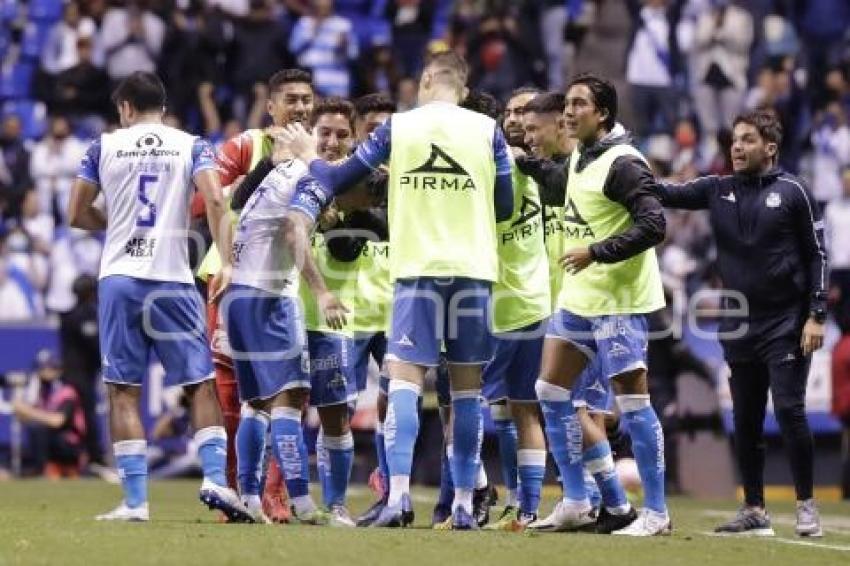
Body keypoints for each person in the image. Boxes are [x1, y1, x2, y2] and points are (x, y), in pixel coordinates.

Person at [283, 51, 514, 529]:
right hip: (474, 270)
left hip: (417, 272)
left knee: (405, 385)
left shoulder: (399, 129)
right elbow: (506, 206)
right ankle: (467, 507)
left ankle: (399, 499)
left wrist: (310, 158)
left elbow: (337, 178)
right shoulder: (488, 132)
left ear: (426, 80)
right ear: (464, 89)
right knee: (467, 393)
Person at [68, 71, 247, 523]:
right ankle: (215, 481)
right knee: (200, 383)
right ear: (162, 108)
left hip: (121, 278)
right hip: (172, 279)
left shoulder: (103, 146)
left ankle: (135, 502)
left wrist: (120, 226)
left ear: (125, 108)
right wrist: (226, 262)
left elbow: (76, 212)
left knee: (123, 391)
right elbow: (215, 201)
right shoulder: (193, 145)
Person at [655, 109, 828, 538]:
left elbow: (817, 255)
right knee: (746, 418)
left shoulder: (794, 192)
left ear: (770, 148)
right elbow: (668, 193)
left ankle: (806, 505)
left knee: (789, 410)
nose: (737, 146)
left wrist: (816, 314)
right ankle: (754, 509)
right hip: (738, 322)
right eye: (735, 139)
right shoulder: (718, 188)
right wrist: (624, 174)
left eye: (748, 139)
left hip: (786, 320)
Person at [528, 73, 669, 536]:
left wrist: (596, 252)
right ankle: (575, 500)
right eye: (566, 104)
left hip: (618, 300)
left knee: (632, 403)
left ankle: (656, 513)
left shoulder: (624, 162)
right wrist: (521, 162)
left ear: (602, 114)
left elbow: (653, 224)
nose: (568, 112)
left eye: (578, 104)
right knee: (550, 390)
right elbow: (562, 188)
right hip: (581, 298)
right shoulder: (582, 158)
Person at [198, 67, 315, 523]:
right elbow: (215, 200)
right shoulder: (250, 146)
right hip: (243, 281)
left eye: (307, 100)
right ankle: (290, 500)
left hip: (253, 287)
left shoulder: (298, 154)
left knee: (256, 401)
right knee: (279, 395)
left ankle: (257, 496)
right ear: (270, 105)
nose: (301, 108)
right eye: (291, 100)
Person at [12, 350, 86, 479]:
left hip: (70, 445)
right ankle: (42, 469)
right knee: (35, 429)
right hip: (52, 443)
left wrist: (27, 410)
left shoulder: (67, 392)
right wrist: (21, 407)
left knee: (40, 430)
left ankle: (43, 470)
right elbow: (26, 418)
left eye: (49, 368)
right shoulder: (42, 392)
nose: (44, 372)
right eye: (41, 368)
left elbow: (57, 421)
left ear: (58, 369)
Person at [59, 274, 106, 471]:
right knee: (86, 413)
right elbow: (93, 344)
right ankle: (93, 456)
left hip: (71, 373)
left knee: (75, 413)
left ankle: (80, 454)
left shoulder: (67, 315)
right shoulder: (85, 315)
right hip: (81, 374)